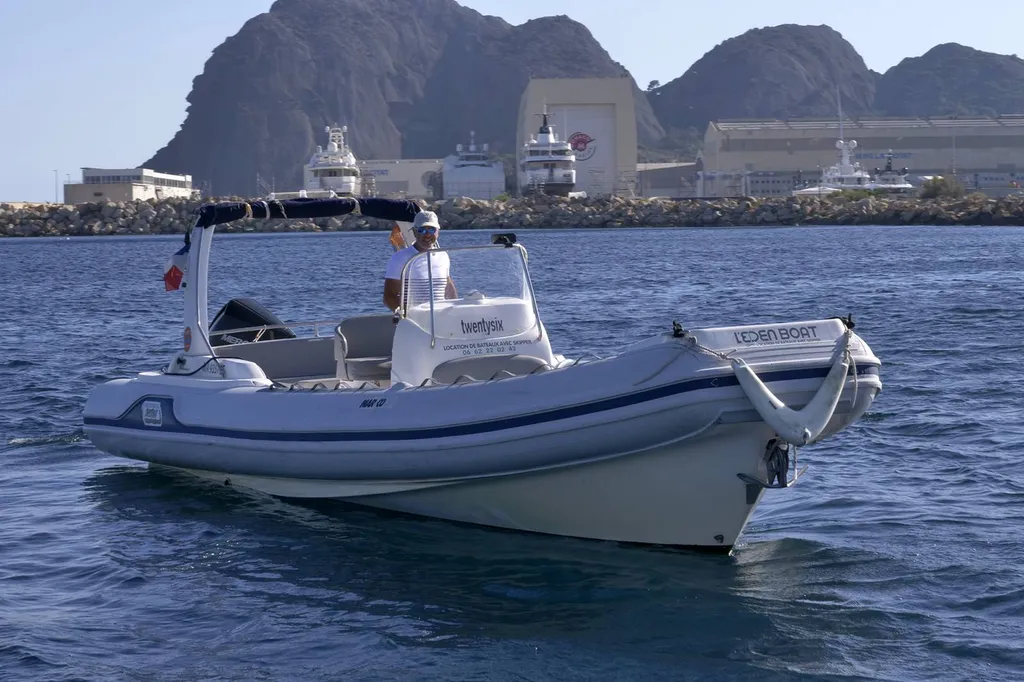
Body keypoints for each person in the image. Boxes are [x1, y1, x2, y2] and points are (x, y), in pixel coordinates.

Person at [383, 210, 457, 313]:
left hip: (441, 318)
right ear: (414, 232)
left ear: (438, 232)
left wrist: (454, 310)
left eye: (431, 230)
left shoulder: (443, 256)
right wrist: (404, 316)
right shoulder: (399, 258)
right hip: (414, 321)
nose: (427, 235)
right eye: (422, 230)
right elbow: (389, 296)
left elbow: (448, 288)